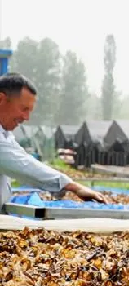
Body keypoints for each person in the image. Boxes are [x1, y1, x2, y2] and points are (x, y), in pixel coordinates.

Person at [0, 73, 106, 207]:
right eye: (24, 109)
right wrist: (73, 186)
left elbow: (22, 157)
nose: (26, 117)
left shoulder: (5, 133)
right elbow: (22, 164)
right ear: (1, 99)